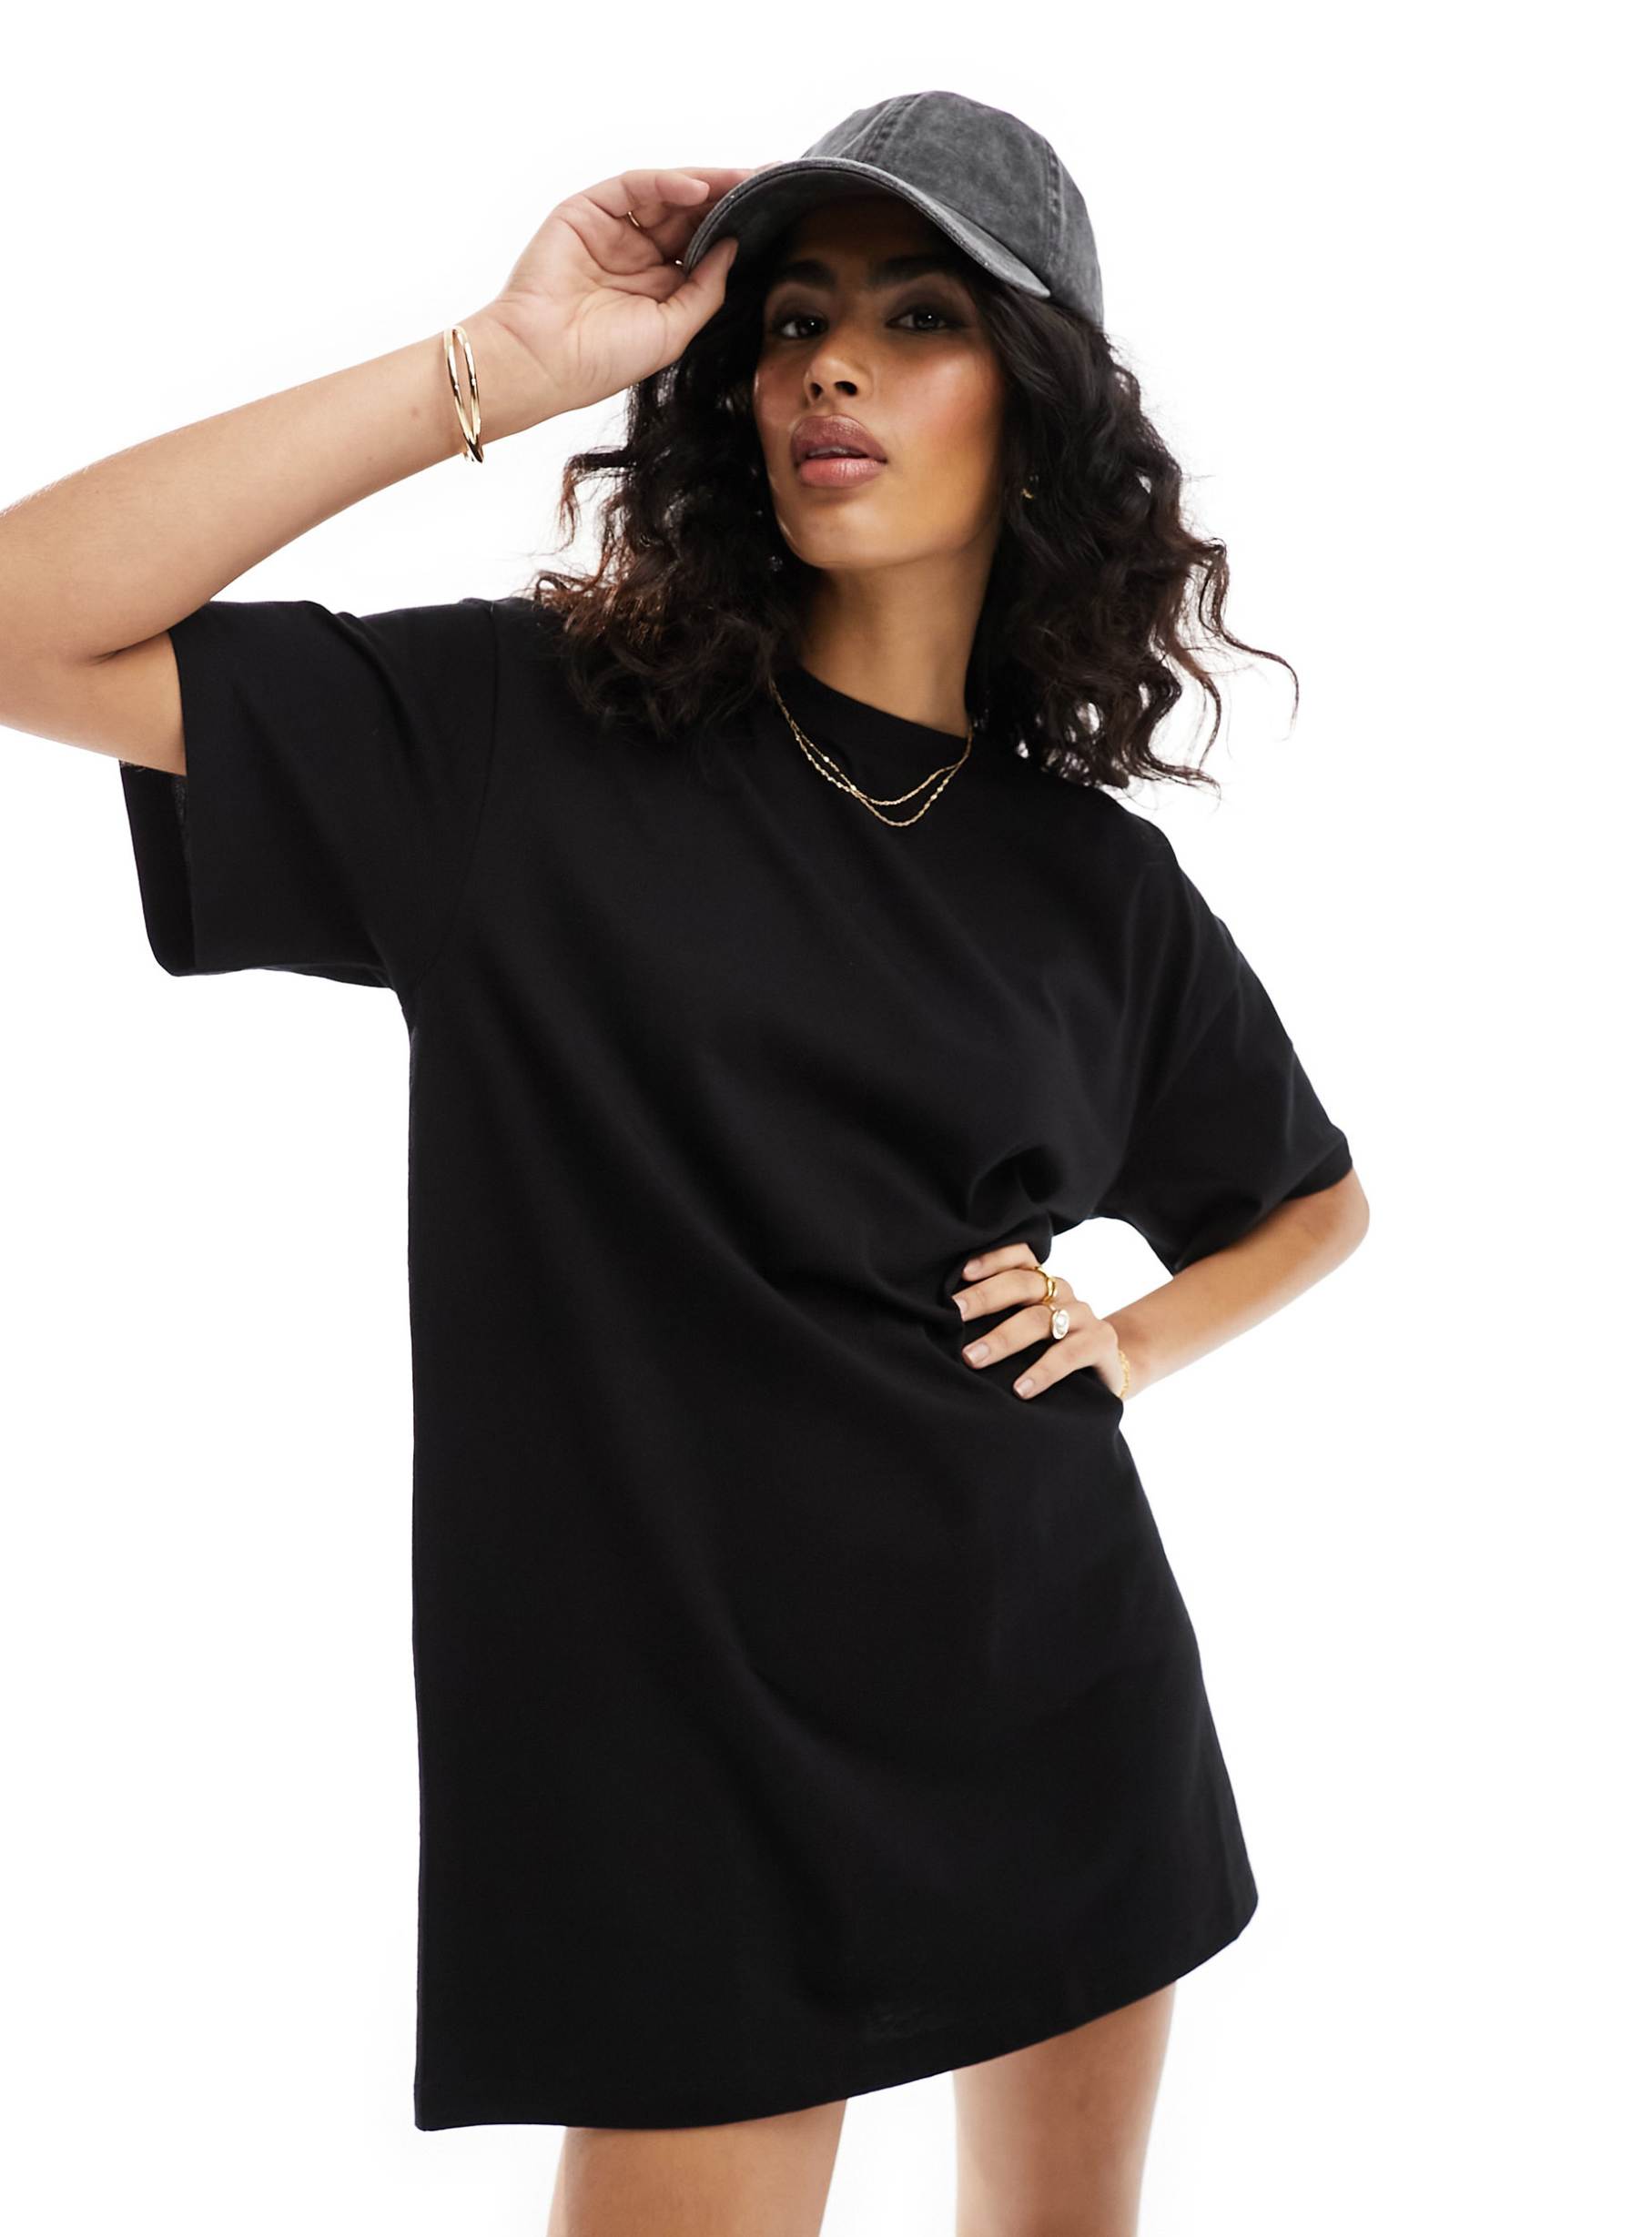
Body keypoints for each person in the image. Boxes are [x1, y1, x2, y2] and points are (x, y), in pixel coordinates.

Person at [0, 89, 1369, 2237]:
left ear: (1036, 411)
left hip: (1052, 1688)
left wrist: (1130, 1336)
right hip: (676, 1769)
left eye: (918, 317)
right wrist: (494, 364)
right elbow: (22, 621)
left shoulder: (1090, 884)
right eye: (795, 317)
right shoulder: (522, 738)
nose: (832, 365)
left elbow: (1309, 1196)